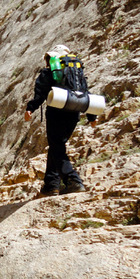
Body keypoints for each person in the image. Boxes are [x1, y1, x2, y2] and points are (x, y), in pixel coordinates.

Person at [24, 44, 96, 197]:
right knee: (57, 146)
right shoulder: (77, 71)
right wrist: (91, 116)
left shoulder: (52, 70)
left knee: (57, 148)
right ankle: (51, 185)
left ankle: (73, 180)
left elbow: (41, 92)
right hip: (74, 112)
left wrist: (30, 107)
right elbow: (85, 93)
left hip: (57, 113)